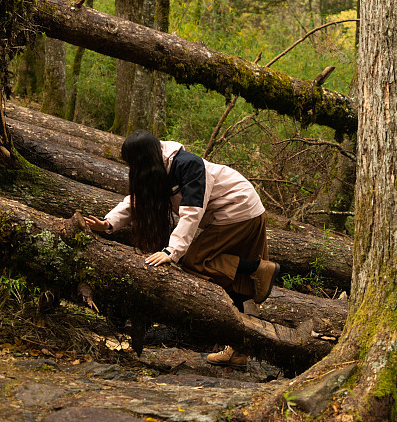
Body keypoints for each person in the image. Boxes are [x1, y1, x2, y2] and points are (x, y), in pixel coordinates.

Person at [85, 130, 280, 369]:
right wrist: (108, 223)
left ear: (144, 158)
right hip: (234, 213)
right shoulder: (158, 168)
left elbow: (191, 213)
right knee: (230, 281)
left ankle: (258, 268)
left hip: (239, 210)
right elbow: (135, 200)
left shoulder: (188, 165)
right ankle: (238, 351)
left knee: (194, 260)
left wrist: (171, 252)